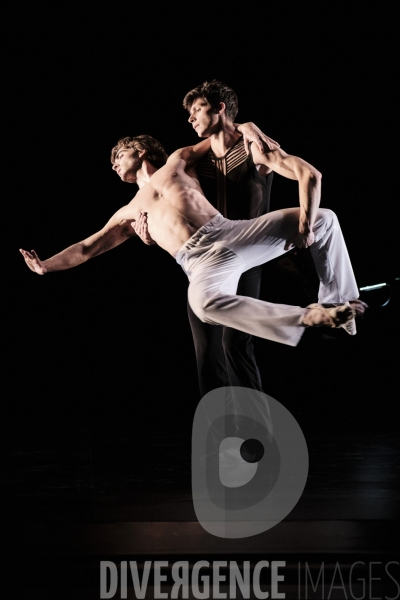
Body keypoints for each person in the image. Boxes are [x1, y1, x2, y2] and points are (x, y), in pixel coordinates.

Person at [20, 133, 358, 354]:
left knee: (323, 218)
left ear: (140, 151)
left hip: (229, 233)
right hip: (199, 262)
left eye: (118, 156)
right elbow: (87, 247)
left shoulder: (178, 161)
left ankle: (339, 303)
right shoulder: (127, 212)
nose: (113, 163)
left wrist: (248, 124)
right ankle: (308, 318)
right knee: (203, 303)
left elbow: (222, 133)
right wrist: (45, 265)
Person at [134, 80, 275, 397]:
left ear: (219, 107)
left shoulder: (254, 146)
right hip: (210, 259)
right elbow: (175, 208)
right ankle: (219, 431)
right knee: (207, 350)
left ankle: (258, 430)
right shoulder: (193, 159)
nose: (190, 118)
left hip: (250, 253)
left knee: (236, 342)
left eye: (196, 109)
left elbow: (295, 169)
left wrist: (248, 126)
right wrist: (151, 238)